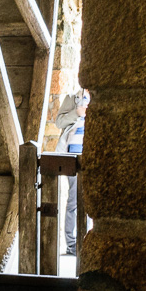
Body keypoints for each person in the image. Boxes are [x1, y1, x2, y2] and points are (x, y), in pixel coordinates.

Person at [54, 88, 89, 256]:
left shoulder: (100, 97)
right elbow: (59, 122)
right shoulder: (72, 98)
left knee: (90, 201)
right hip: (72, 155)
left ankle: (87, 241)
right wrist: (77, 112)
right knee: (74, 201)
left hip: (91, 154)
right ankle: (71, 245)